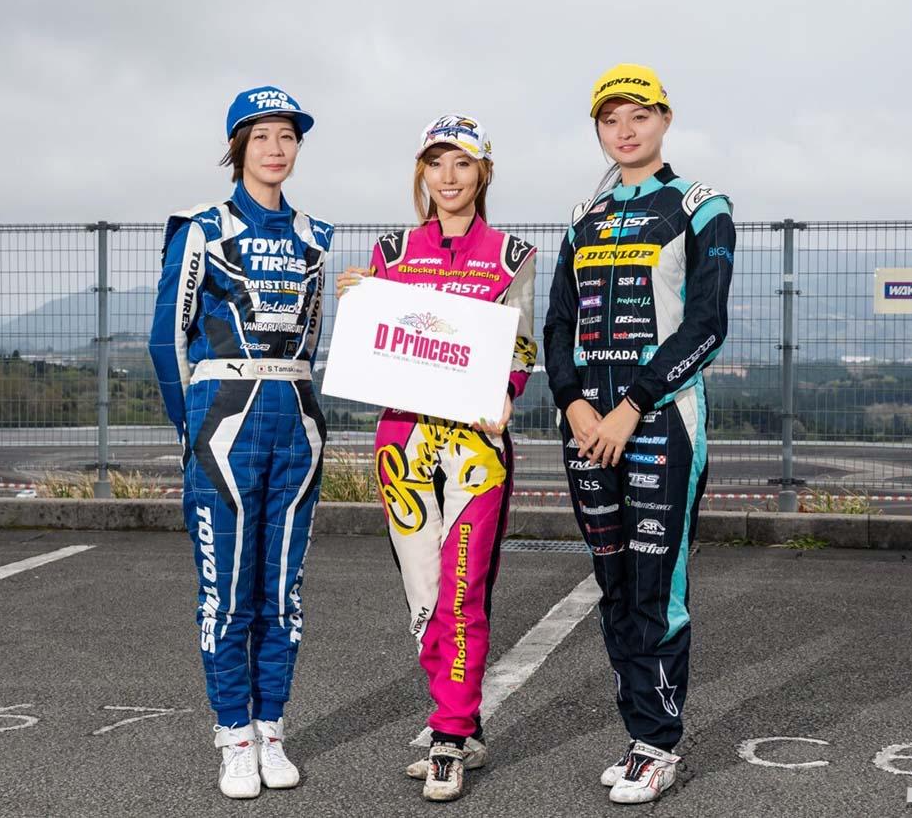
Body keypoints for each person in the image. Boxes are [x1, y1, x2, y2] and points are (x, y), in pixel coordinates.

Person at [543, 64, 735, 805]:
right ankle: (637, 734)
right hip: (586, 427)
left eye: (639, 116)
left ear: (665, 119)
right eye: (610, 118)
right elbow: (559, 324)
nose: (624, 131)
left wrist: (632, 405)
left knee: (658, 585)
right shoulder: (583, 217)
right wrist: (572, 404)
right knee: (613, 582)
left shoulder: (700, 206)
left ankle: (658, 744)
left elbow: (706, 324)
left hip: (660, 423)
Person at [334, 115, 537, 802]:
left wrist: (508, 391)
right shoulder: (390, 252)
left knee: (462, 588)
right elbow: (373, 346)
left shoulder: (511, 254)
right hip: (403, 440)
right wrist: (357, 303)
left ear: (484, 173)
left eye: (462, 163)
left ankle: (448, 734)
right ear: (421, 172)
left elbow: (522, 345)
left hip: (478, 444)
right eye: (436, 163)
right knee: (425, 597)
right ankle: (461, 719)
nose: (448, 177)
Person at [149, 85, 332, 800]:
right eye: (262, 137)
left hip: (298, 424)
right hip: (222, 426)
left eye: (287, 136)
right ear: (238, 148)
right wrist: (190, 427)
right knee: (225, 593)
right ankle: (232, 734)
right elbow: (167, 341)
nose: (276, 149)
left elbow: (318, 340)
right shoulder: (201, 229)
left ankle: (271, 726)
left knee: (282, 592)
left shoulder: (317, 236)